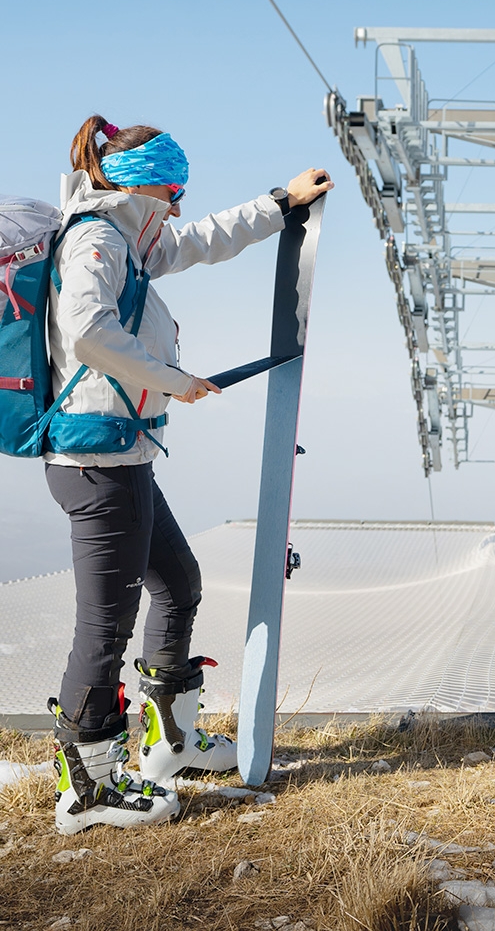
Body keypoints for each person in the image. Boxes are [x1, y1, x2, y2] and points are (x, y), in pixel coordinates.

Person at [46, 115, 333, 834]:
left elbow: (206, 239)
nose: (179, 206)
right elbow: (84, 329)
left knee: (178, 584)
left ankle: (169, 743)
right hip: (95, 461)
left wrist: (280, 202)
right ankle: (88, 788)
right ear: (152, 186)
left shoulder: (133, 235)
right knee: (104, 625)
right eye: (175, 192)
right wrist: (172, 379)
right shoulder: (97, 238)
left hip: (122, 452)